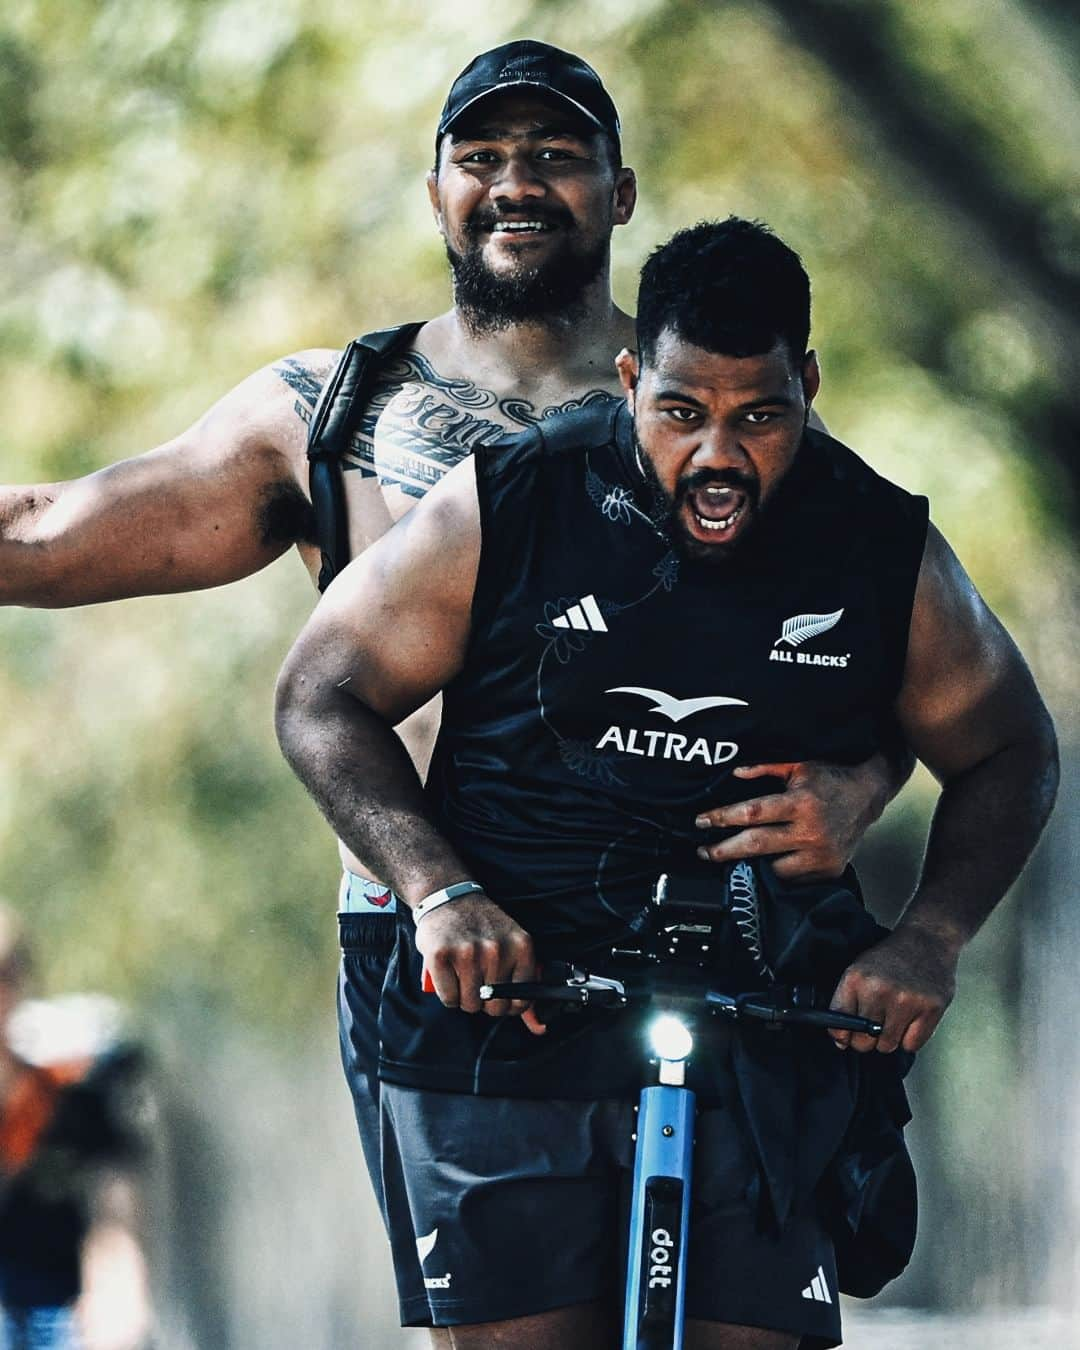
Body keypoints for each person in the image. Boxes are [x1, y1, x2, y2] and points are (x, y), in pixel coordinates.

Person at [1, 41, 902, 1320]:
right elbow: (45, 530)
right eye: (481, 159)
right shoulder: (333, 415)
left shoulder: (722, 404)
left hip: (707, 938)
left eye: (554, 157)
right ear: (437, 195)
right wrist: (438, 890)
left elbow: (893, 655)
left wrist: (868, 779)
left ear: (620, 191)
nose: (516, 185)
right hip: (443, 953)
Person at [274, 217, 1059, 1350]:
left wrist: (928, 937)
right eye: (681, 414)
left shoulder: (882, 546)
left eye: (762, 417)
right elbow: (319, 697)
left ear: (811, 387)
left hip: (764, 1017)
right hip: (507, 1016)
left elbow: (1012, 749)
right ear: (633, 377)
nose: (719, 458)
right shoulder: (512, 501)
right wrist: (440, 893)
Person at [0, 906, 152, 1350]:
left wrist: (120, 1291)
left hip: (60, 1308)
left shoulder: (67, 1096)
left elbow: (114, 1212)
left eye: (6, 980)